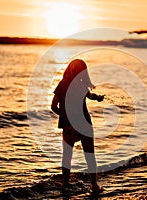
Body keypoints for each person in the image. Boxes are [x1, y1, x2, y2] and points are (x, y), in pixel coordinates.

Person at [51, 59, 104, 193]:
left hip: (68, 126)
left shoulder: (62, 84)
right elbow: (91, 96)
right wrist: (98, 98)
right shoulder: (81, 86)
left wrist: (63, 116)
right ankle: (94, 185)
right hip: (84, 124)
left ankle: (65, 185)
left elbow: (53, 106)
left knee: (67, 157)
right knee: (90, 156)